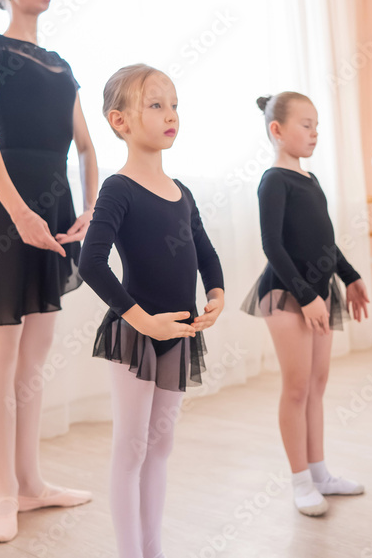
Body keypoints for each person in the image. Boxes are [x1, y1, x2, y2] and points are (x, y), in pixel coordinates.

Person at [0, 0, 98, 543]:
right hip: (7, 211)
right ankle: (5, 493)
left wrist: (91, 209)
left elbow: (87, 148)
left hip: (56, 210)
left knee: (35, 359)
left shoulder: (62, 64)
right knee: (3, 355)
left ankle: (33, 483)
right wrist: (18, 214)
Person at [80, 64, 225, 558]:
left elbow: (205, 253)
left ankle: (152, 549)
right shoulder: (119, 188)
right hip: (136, 335)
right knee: (132, 447)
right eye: (157, 105)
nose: (171, 115)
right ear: (119, 121)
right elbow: (91, 263)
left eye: (175, 105)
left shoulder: (182, 191)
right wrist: (139, 319)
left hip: (180, 332)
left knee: (160, 447)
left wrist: (218, 294)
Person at [241, 92, 369, 516]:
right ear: (277, 131)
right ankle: (300, 482)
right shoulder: (273, 180)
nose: (315, 133)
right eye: (306, 124)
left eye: (317, 125)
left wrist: (348, 277)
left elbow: (326, 243)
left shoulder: (311, 182)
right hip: (285, 293)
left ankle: (321, 473)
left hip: (318, 292)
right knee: (296, 387)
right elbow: (272, 245)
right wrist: (306, 294)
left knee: (317, 384)